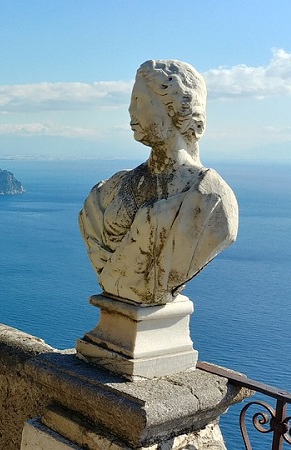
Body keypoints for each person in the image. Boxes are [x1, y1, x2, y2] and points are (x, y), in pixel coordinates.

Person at [79, 60, 238, 305]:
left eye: (139, 101)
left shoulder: (209, 199)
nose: (130, 111)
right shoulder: (111, 189)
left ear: (176, 108)